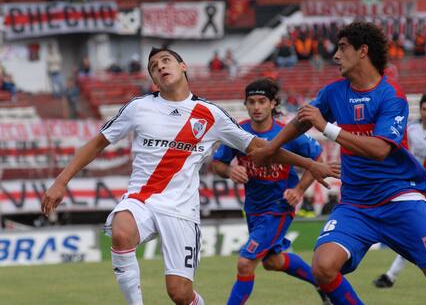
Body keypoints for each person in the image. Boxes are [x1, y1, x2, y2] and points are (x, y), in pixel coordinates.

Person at [41, 47, 339, 305]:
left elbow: (262, 148)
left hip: (181, 211)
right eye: (154, 66)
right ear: (152, 79)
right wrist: (61, 181)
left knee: (180, 294)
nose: (160, 66)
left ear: (183, 67)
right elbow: (97, 143)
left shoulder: (210, 114)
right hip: (141, 199)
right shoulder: (138, 108)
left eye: (166, 60)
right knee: (121, 230)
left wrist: (308, 164)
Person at [250, 21, 426, 304]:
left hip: (400, 199)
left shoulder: (391, 96)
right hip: (356, 204)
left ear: (363, 51)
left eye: (342, 48)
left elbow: (380, 149)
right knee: (322, 266)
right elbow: (303, 118)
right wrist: (271, 148)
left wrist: (327, 128)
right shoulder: (334, 92)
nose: (335, 55)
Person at [211, 78, 331, 305]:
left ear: (273, 104)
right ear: (245, 104)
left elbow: (317, 158)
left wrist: (298, 189)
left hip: (279, 207)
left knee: (246, 263)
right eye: (252, 102)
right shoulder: (238, 132)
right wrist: (230, 171)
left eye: (262, 101)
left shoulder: (288, 133)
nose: (257, 107)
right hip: (254, 209)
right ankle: (322, 282)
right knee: (272, 261)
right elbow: (217, 165)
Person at [373, 94, 426, 288]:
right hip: (418, 192)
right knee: (420, 234)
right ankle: (390, 276)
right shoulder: (411, 130)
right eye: (424, 109)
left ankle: (390, 276)